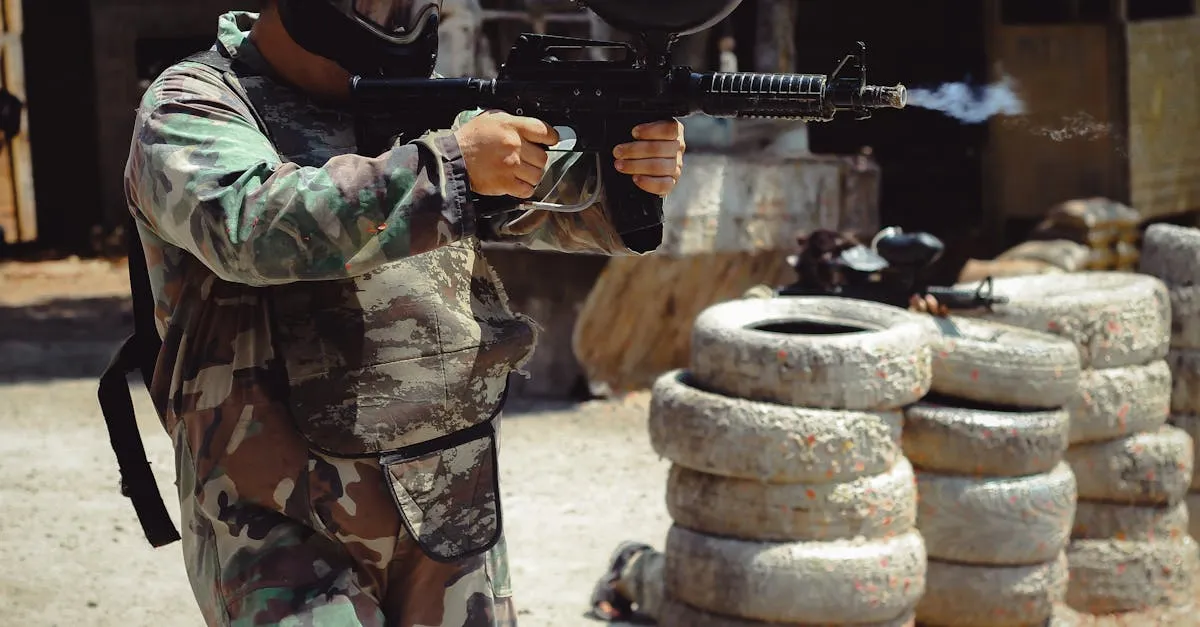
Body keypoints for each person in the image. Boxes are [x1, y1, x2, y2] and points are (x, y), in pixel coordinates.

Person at [117, 1, 686, 625]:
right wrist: (447, 170)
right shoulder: (192, 106)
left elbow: (553, 201)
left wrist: (627, 170)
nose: (399, 14)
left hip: (443, 494)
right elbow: (251, 228)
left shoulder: (417, 108)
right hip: (277, 520)